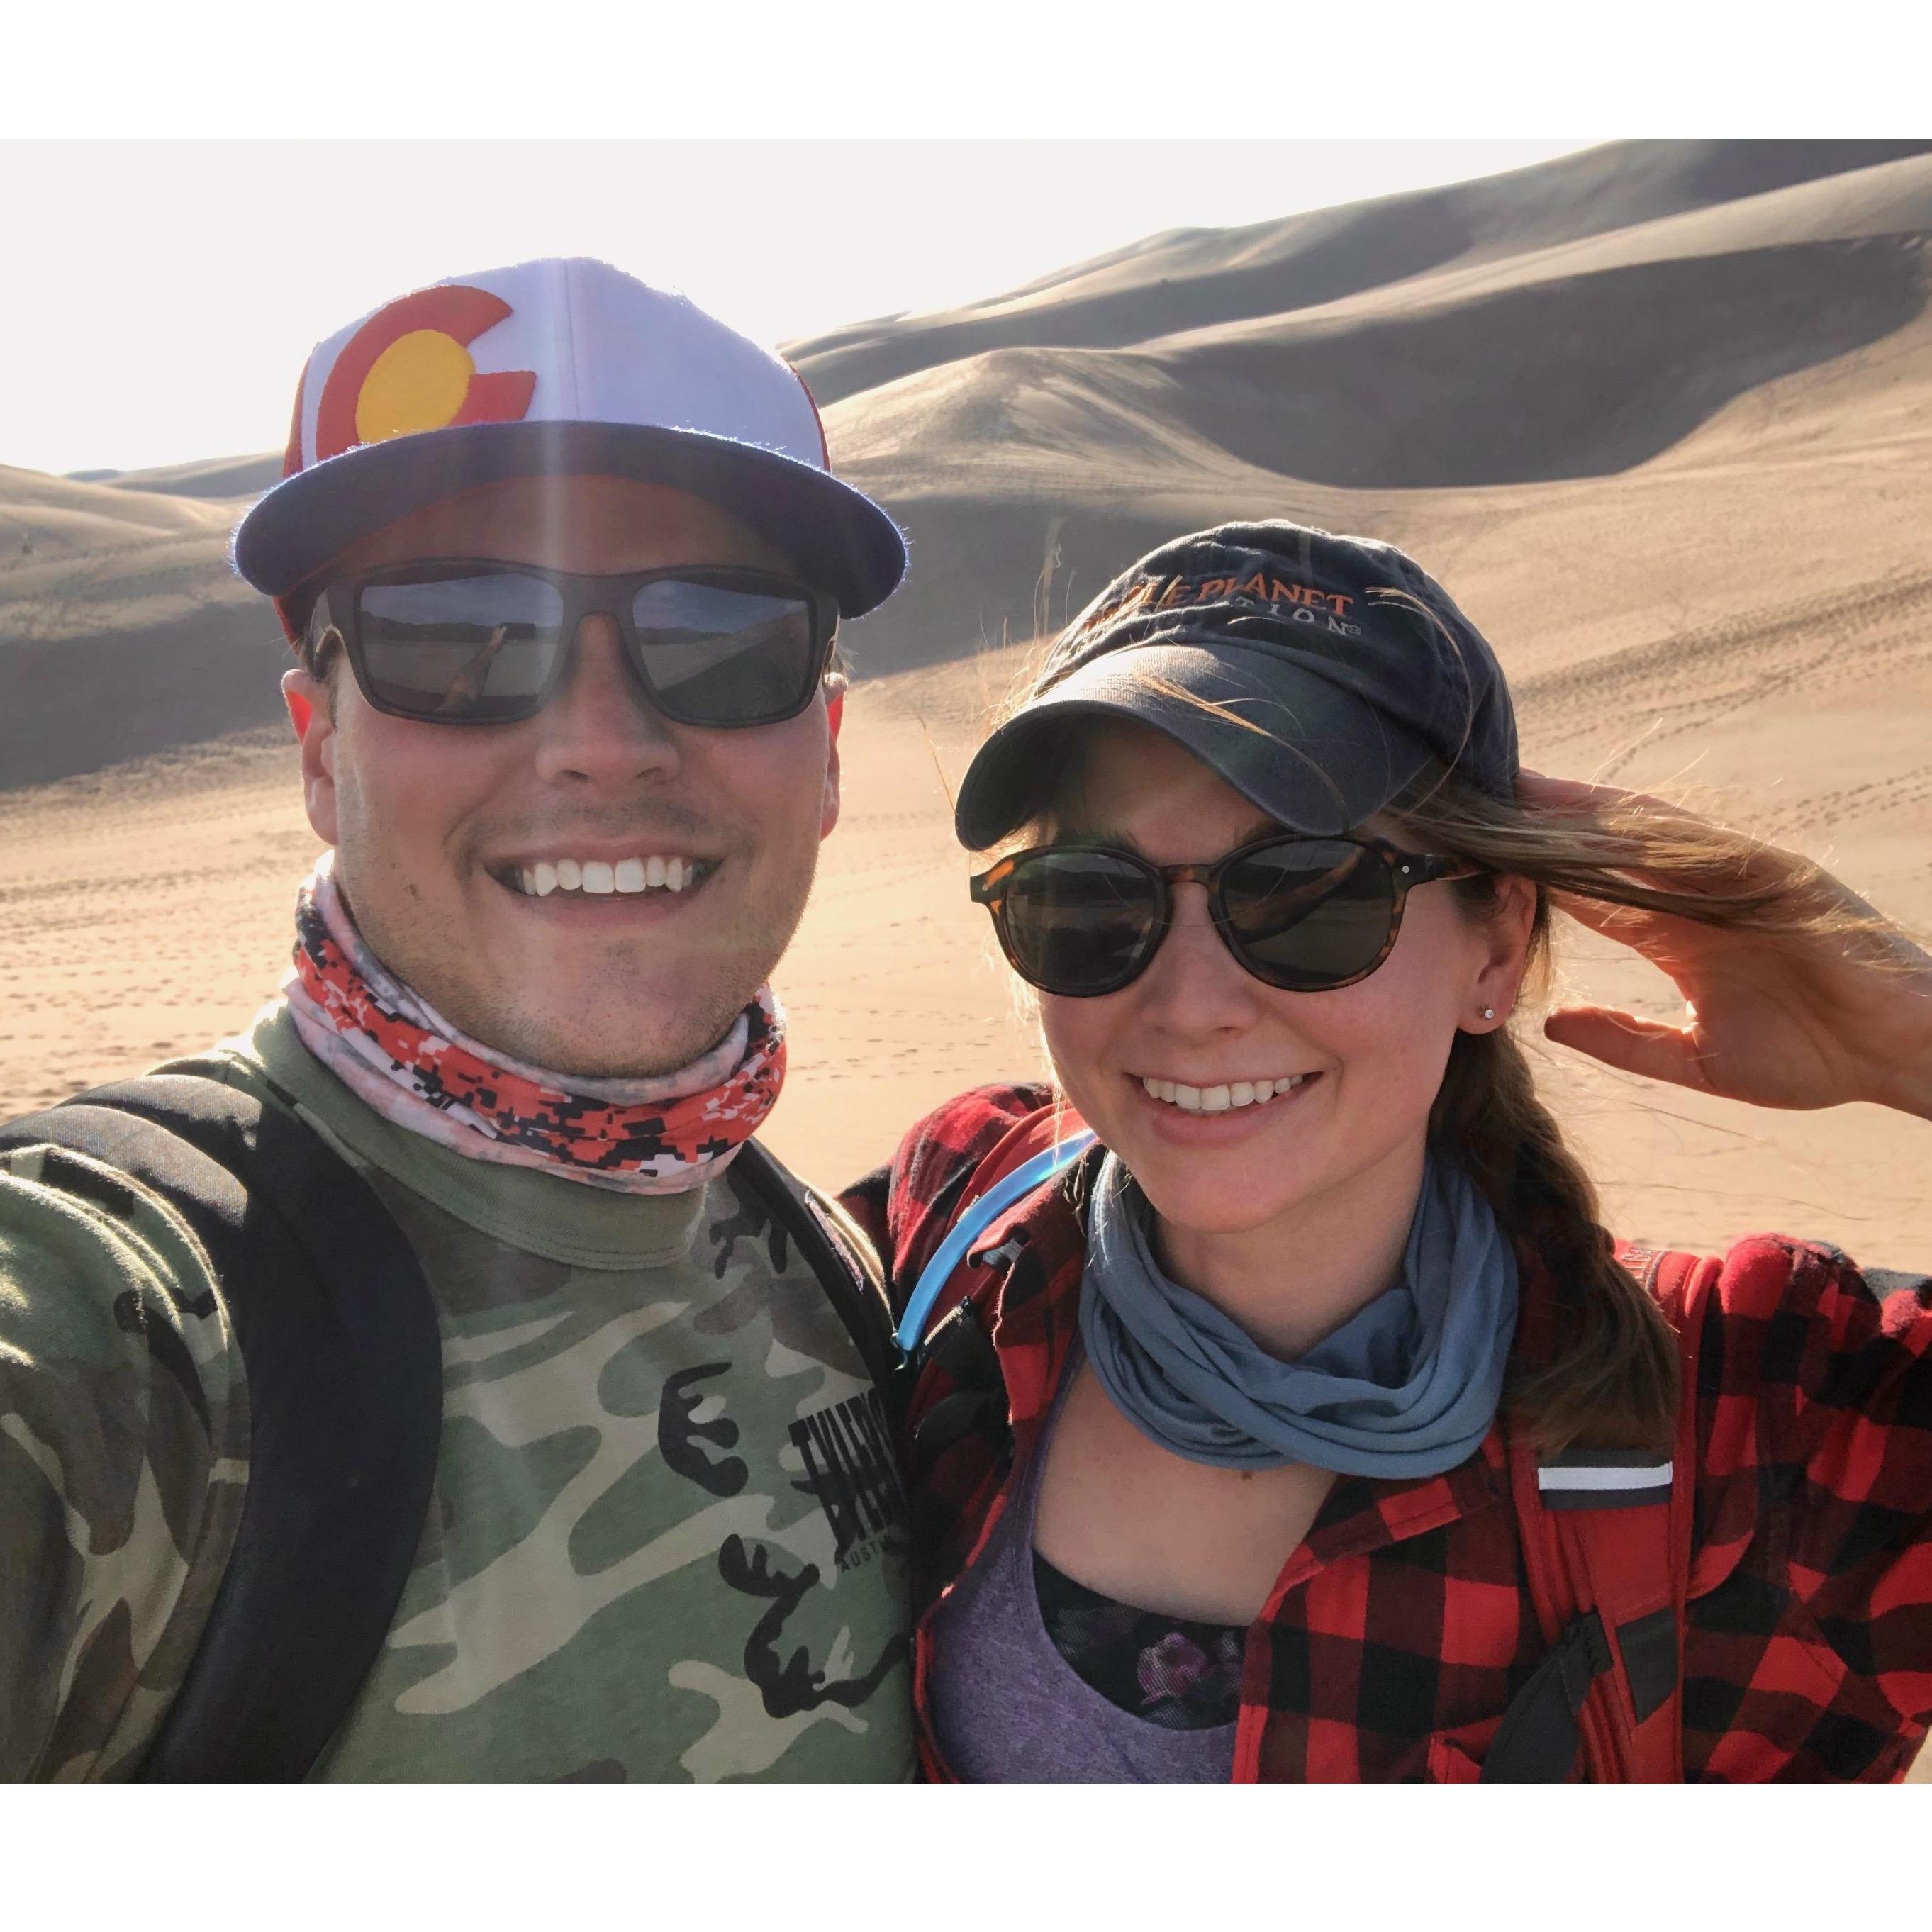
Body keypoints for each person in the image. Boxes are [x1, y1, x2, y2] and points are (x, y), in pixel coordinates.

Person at [0, 258, 917, 1782]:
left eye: (718, 636)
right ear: (318, 744)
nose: (605, 742)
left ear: (822, 751)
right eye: (459, 634)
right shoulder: (133, 1327)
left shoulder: (822, 1261)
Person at [844, 520, 1932, 1781]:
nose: (1188, 1002)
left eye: (1309, 895)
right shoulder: (966, 1220)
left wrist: (1913, 1045)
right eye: (1086, 900)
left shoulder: (1753, 1415)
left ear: (1493, 947)